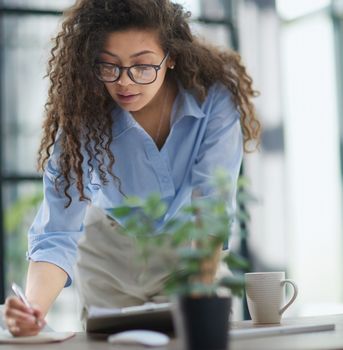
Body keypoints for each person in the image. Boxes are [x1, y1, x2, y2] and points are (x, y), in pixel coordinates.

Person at [4, 0, 260, 336]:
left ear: (171, 59)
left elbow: (210, 207)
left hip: (189, 252)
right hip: (108, 258)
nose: (124, 82)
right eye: (109, 66)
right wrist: (32, 311)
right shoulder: (83, 118)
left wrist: (196, 299)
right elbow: (57, 231)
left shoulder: (214, 98)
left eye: (142, 66)